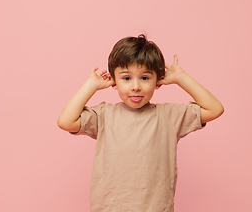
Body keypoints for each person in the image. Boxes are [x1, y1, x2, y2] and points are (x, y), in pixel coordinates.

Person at [57, 34, 224, 212]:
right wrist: (91, 84)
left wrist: (180, 77)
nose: (135, 86)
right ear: (114, 81)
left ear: (158, 81)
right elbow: (66, 122)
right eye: (126, 78)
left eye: (144, 78)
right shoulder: (104, 115)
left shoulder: (169, 116)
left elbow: (214, 109)